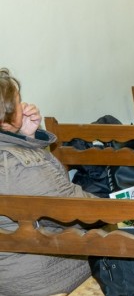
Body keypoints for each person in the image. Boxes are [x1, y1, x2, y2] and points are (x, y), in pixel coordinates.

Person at [0, 68, 94, 294]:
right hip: (42, 276)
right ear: (7, 115)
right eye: (19, 102)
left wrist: (28, 137)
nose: (23, 108)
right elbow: (74, 214)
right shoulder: (19, 164)